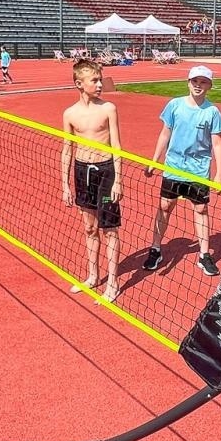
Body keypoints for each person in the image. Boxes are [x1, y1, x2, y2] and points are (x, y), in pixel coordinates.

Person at [142, 65, 221, 277]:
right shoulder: (174, 105)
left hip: (198, 171)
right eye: (195, 81)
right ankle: (155, 249)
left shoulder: (212, 112)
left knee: (201, 210)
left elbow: (217, 144)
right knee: (164, 206)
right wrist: (154, 161)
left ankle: (204, 255)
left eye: (203, 82)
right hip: (173, 167)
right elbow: (164, 135)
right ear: (188, 83)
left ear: (210, 86)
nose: (198, 85)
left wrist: (219, 174)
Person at [60, 59, 123, 302]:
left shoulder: (108, 108)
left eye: (100, 80)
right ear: (79, 84)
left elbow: (117, 146)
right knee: (89, 228)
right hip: (82, 172)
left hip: (106, 173)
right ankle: (92, 276)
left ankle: (113, 282)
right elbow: (67, 149)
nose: (99, 84)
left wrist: (119, 180)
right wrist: (65, 185)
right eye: (94, 81)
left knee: (110, 229)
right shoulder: (70, 114)